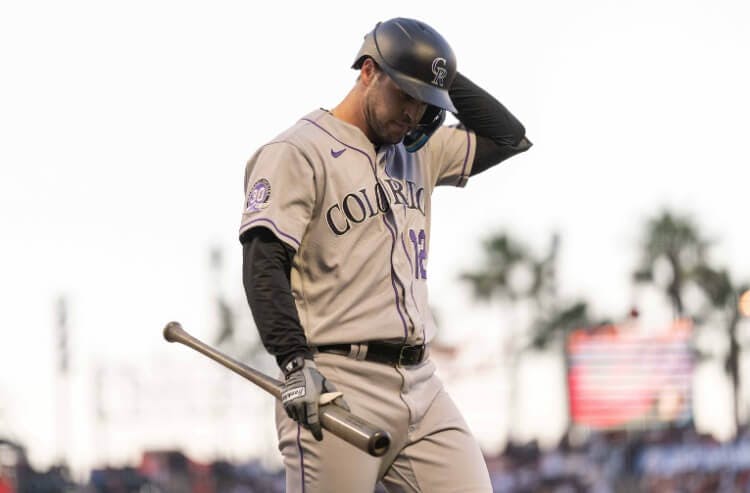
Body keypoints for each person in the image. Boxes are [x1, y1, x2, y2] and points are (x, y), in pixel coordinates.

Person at [239, 17, 532, 493]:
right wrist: (293, 363)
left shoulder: (418, 151)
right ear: (368, 71)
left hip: (421, 381)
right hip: (336, 379)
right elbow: (262, 263)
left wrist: (439, 73)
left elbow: (508, 138)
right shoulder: (297, 150)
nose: (415, 113)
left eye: (426, 102)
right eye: (406, 94)